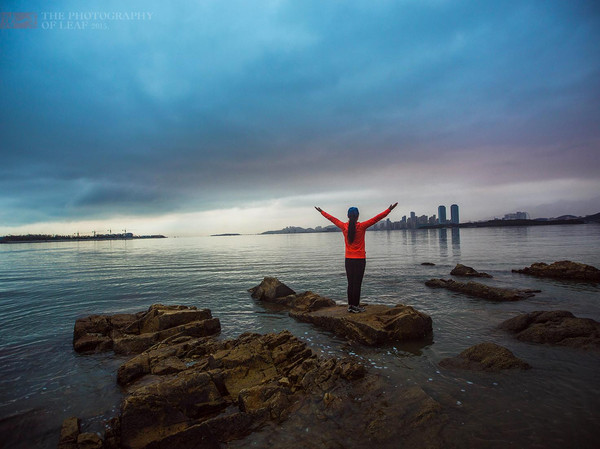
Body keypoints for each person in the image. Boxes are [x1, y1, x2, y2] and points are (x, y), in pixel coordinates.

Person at [315, 203, 398, 313]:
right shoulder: (362, 226)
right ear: (358, 216)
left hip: (348, 259)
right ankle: (356, 306)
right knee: (357, 283)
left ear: (348, 216)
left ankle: (350, 306)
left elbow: (332, 219)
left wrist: (321, 211)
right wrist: (389, 209)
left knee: (350, 283)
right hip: (360, 259)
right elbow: (377, 218)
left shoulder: (344, 226)